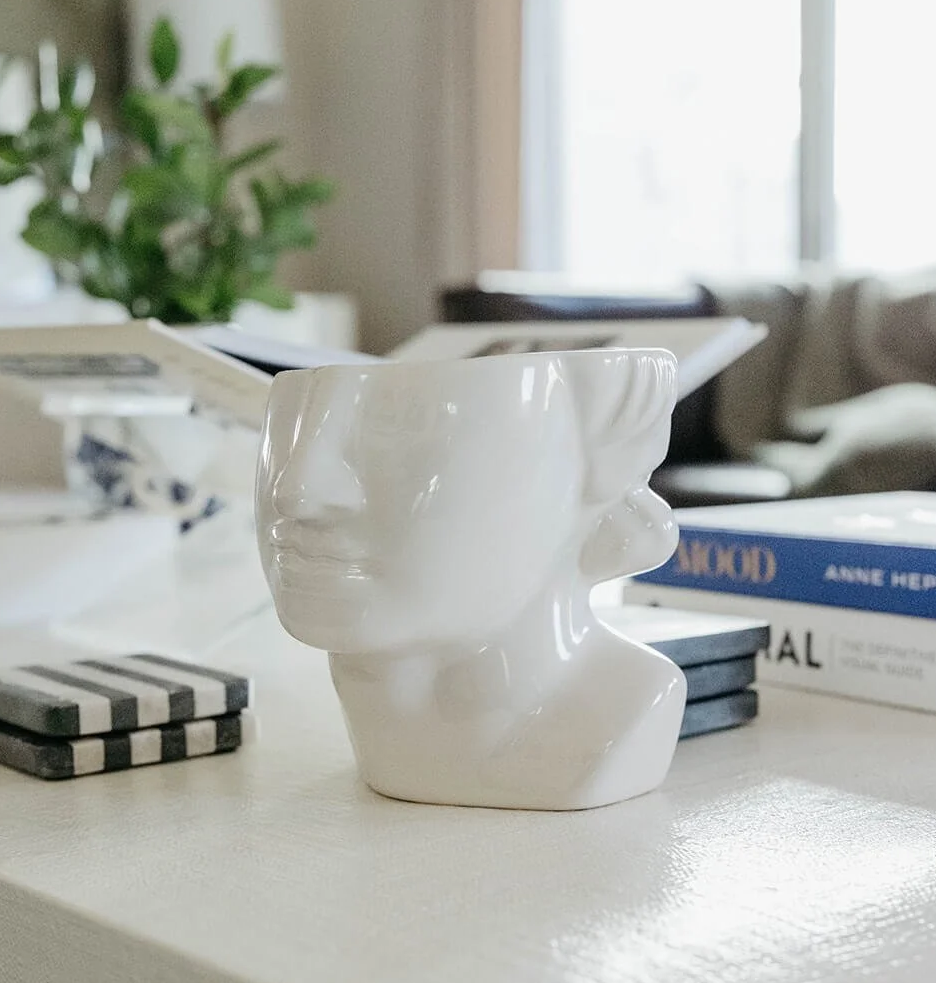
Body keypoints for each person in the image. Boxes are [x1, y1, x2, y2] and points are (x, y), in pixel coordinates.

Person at [257, 347, 686, 809]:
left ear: (584, 479)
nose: (295, 492)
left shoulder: (620, 708)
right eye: (285, 430)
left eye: (402, 423)